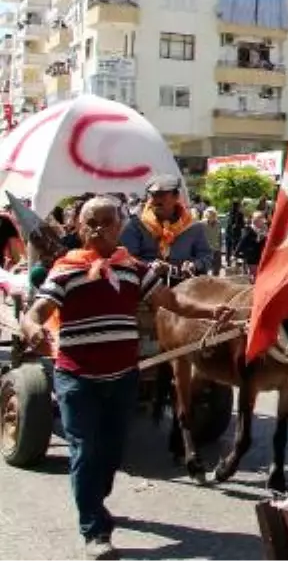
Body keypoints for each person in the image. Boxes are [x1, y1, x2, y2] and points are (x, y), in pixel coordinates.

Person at [20, 196, 234, 560]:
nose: (100, 228)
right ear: (79, 228)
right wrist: (30, 327)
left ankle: (93, 497)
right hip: (77, 379)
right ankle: (95, 530)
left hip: (122, 378)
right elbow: (37, 312)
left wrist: (213, 310)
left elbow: (173, 302)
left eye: (108, 221)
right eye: (93, 222)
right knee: (86, 451)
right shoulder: (65, 269)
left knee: (110, 452)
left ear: (121, 227)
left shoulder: (132, 268)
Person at [119, 174, 213, 277]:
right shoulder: (137, 224)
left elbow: (206, 256)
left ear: (176, 196)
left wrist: (194, 265)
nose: (156, 200)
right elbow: (125, 257)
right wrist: (149, 265)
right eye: (153, 195)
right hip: (147, 284)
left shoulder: (193, 227)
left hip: (184, 283)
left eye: (162, 195)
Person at [201, 207, 223, 275]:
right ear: (206, 215)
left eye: (213, 214)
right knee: (204, 269)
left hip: (216, 248)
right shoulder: (202, 224)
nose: (211, 216)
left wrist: (220, 246)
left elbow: (219, 236)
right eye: (210, 214)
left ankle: (214, 282)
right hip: (205, 249)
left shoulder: (218, 224)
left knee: (216, 268)